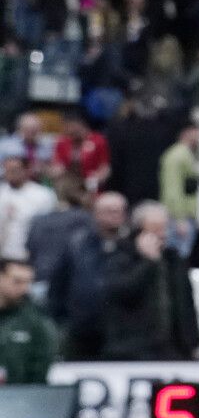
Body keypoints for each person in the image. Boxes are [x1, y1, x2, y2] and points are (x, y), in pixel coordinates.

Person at [102, 201, 199, 360]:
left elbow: (186, 304)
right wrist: (148, 263)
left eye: (165, 227)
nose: (162, 234)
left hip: (173, 349)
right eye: (156, 228)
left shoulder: (174, 259)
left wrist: (193, 342)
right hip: (132, 349)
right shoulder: (120, 255)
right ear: (139, 230)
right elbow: (121, 291)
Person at [46, 190, 129, 359]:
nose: (113, 216)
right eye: (108, 211)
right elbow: (58, 285)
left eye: (118, 211)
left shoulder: (132, 248)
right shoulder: (76, 245)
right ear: (96, 214)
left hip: (122, 333)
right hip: (81, 330)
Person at [0, 256, 58, 385]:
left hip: (20, 398)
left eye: (28, 282)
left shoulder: (37, 320)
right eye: (17, 281)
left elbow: (42, 365)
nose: (24, 288)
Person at [0, 151, 55, 261]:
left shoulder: (43, 195)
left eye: (14, 170)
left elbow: (49, 230)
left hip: (28, 256)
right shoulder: (2, 192)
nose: (10, 173)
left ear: (26, 170)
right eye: (7, 170)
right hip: (3, 254)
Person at [160, 121, 199, 252]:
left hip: (188, 214)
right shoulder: (177, 156)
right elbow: (172, 188)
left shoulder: (187, 154)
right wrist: (179, 218)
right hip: (179, 216)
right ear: (187, 132)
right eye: (196, 131)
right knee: (178, 257)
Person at [50, 112, 110, 193]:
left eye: (70, 127)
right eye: (66, 128)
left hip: (89, 186)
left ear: (80, 125)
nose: (68, 131)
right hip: (67, 186)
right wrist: (56, 170)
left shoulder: (98, 141)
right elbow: (56, 164)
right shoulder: (62, 142)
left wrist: (96, 179)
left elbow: (105, 168)